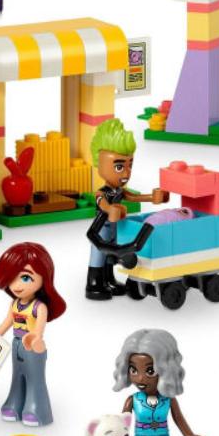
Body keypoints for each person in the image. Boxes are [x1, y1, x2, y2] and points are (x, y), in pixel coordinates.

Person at [85, 119, 168, 300]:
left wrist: (152, 198)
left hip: (115, 229)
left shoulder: (119, 190)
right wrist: (110, 209)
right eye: (119, 166)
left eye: (130, 165)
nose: (126, 173)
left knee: (110, 257)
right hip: (101, 230)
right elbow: (102, 204)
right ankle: (94, 284)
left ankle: (109, 280)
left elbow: (133, 197)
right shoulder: (102, 193)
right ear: (100, 164)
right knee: (98, 256)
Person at [0, 242, 66, 427]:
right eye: (12, 278)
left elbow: (39, 330)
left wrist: (35, 339)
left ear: (43, 278)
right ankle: (14, 403)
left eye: (25, 278)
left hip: (32, 347)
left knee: (34, 379)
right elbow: (7, 323)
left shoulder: (39, 307)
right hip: (16, 344)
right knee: (17, 376)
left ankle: (36, 409)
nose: (16, 285)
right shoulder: (14, 304)